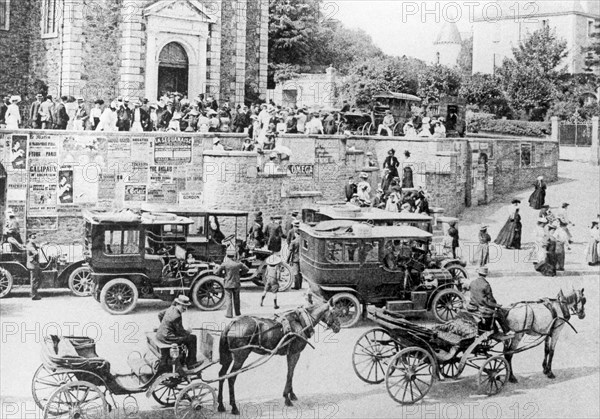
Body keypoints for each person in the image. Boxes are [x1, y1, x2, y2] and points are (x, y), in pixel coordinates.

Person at [156, 295, 201, 370]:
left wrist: (164, 326)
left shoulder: (171, 308)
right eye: (183, 307)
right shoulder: (176, 316)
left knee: (187, 337)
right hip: (167, 338)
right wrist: (188, 331)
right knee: (192, 338)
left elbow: (160, 314)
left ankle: (185, 358)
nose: (185, 309)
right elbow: (181, 332)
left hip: (160, 334)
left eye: (186, 307)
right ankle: (191, 363)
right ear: (177, 304)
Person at [467, 267, 512, 334]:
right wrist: (497, 305)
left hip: (473, 305)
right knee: (499, 313)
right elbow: (490, 299)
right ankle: (506, 331)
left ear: (478, 273)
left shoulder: (472, 282)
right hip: (482, 307)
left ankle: (495, 328)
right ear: (485, 275)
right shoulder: (486, 285)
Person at [214, 251, 249, 318]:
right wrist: (240, 274)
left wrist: (216, 269)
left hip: (228, 283)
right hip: (236, 283)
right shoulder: (238, 263)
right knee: (237, 299)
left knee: (229, 299)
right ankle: (237, 313)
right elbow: (247, 269)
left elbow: (217, 272)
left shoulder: (225, 264)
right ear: (234, 256)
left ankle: (229, 314)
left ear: (227, 256)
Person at [287, 220, 303, 290]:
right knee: (300, 272)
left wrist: (287, 260)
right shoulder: (303, 240)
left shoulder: (294, 241)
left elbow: (290, 252)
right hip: (302, 258)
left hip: (295, 258)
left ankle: (297, 286)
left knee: (295, 272)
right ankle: (300, 285)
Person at [26, 233, 42, 300]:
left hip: (34, 264)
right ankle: (33, 295)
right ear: (29, 239)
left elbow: (36, 247)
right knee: (34, 280)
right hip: (32, 264)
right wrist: (36, 252)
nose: (34, 240)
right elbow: (34, 252)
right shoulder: (30, 245)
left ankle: (34, 293)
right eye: (32, 238)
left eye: (34, 238)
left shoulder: (32, 244)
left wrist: (42, 245)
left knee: (36, 279)